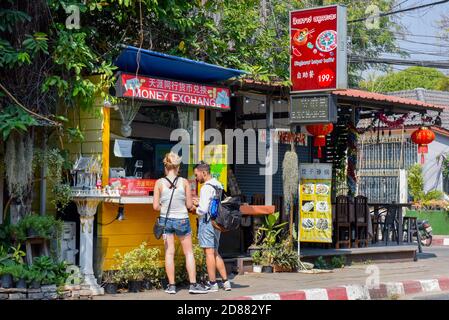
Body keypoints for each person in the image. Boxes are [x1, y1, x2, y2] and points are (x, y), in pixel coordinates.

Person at [153, 152, 208, 295]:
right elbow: (189, 205)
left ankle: (171, 286)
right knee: (188, 252)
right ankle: (193, 285)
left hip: (165, 220)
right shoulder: (184, 182)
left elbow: (155, 207)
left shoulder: (158, 183)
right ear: (177, 167)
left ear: (166, 167)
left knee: (169, 253)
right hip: (182, 219)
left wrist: (164, 208)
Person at [192, 161, 232, 292]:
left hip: (207, 222)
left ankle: (213, 283)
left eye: (197, 175)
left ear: (204, 173)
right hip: (216, 223)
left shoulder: (205, 188)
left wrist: (194, 208)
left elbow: (203, 210)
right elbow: (212, 203)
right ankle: (226, 282)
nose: (196, 178)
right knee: (215, 252)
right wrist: (201, 203)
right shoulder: (218, 184)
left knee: (209, 253)